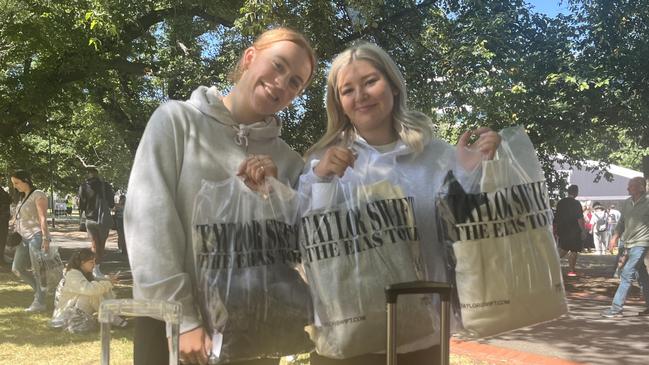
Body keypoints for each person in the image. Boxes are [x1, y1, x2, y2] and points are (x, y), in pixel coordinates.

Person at [300, 42, 501, 365]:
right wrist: (322, 180)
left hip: (422, 338)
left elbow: (469, 230)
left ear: (393, 85)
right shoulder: (321, 162)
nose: (361, 95)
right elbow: (307, 239)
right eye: (347, 89)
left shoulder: (437, 156)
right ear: (339, 103)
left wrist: (478, 170)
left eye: (369, 81)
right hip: (347, 338)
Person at [125, 27, 316, 365]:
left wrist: (279, 192)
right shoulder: (176, 122)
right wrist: (182, 318)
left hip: (254, 337)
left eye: (295, 83)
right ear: (250, 58)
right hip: (174, 329)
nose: (281, 83)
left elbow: (301, 245)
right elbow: (150, 223)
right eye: (278, 65)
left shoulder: (287, 161)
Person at [601, 177, 649, 317]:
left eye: (631, 186)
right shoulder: (627, 202)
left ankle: (616, 309)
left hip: (642, 242)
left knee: (627, 273)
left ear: (641, 187)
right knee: (643, 277)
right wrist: (614, 238)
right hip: (628, 243)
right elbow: (621, 223)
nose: (628, 189)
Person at [51, 248, 126, 332]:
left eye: (94, 262)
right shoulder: (72, 274)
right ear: (82, 262)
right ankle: (114, 319)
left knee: (99, 288)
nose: (94, 265)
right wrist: (108, 283)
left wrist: (109, 280)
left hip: (74, 311)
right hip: (65, 317)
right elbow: (89, 289)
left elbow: (98, 282)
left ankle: (114, 315)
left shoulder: (82, 273)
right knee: (92, 294)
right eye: (91, 262)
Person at [10, 170, 52, 312]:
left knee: (37, 270)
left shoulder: (38, 194)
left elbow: (42, 218)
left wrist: (45, 238)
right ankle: (41, 293)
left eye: (17, 183)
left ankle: (40, 302)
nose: (15, 186)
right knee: (17, 268)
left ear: (25, 180)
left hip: (36, 236)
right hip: (24, 238)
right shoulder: (23, 197)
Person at [78, 166, 114, 278]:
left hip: (90, 219)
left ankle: (93, 269)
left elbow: (81, 205)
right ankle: (97, 268)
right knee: (101, 245)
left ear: (87, 174)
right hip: (102, 219)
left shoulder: (83, 187)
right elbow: (111, 203)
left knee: (94, 245)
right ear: (97, 174)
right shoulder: (106, 186)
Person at [555, 185, 587, 277]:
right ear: (576, 192)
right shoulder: (576, 203)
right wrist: (583, 230)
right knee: (573, 250)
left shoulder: (560, 202)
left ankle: (551, 263)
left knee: (564, 248)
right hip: (574, 230)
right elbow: (580, 219)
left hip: (562, 229)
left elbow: (556, 217)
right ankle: (572, 270)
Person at [0, 183, 11, 268]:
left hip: (4, 219)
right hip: (2, 218)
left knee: (3, 239)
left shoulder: (2, 189)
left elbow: (8, 200)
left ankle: (1, 258)